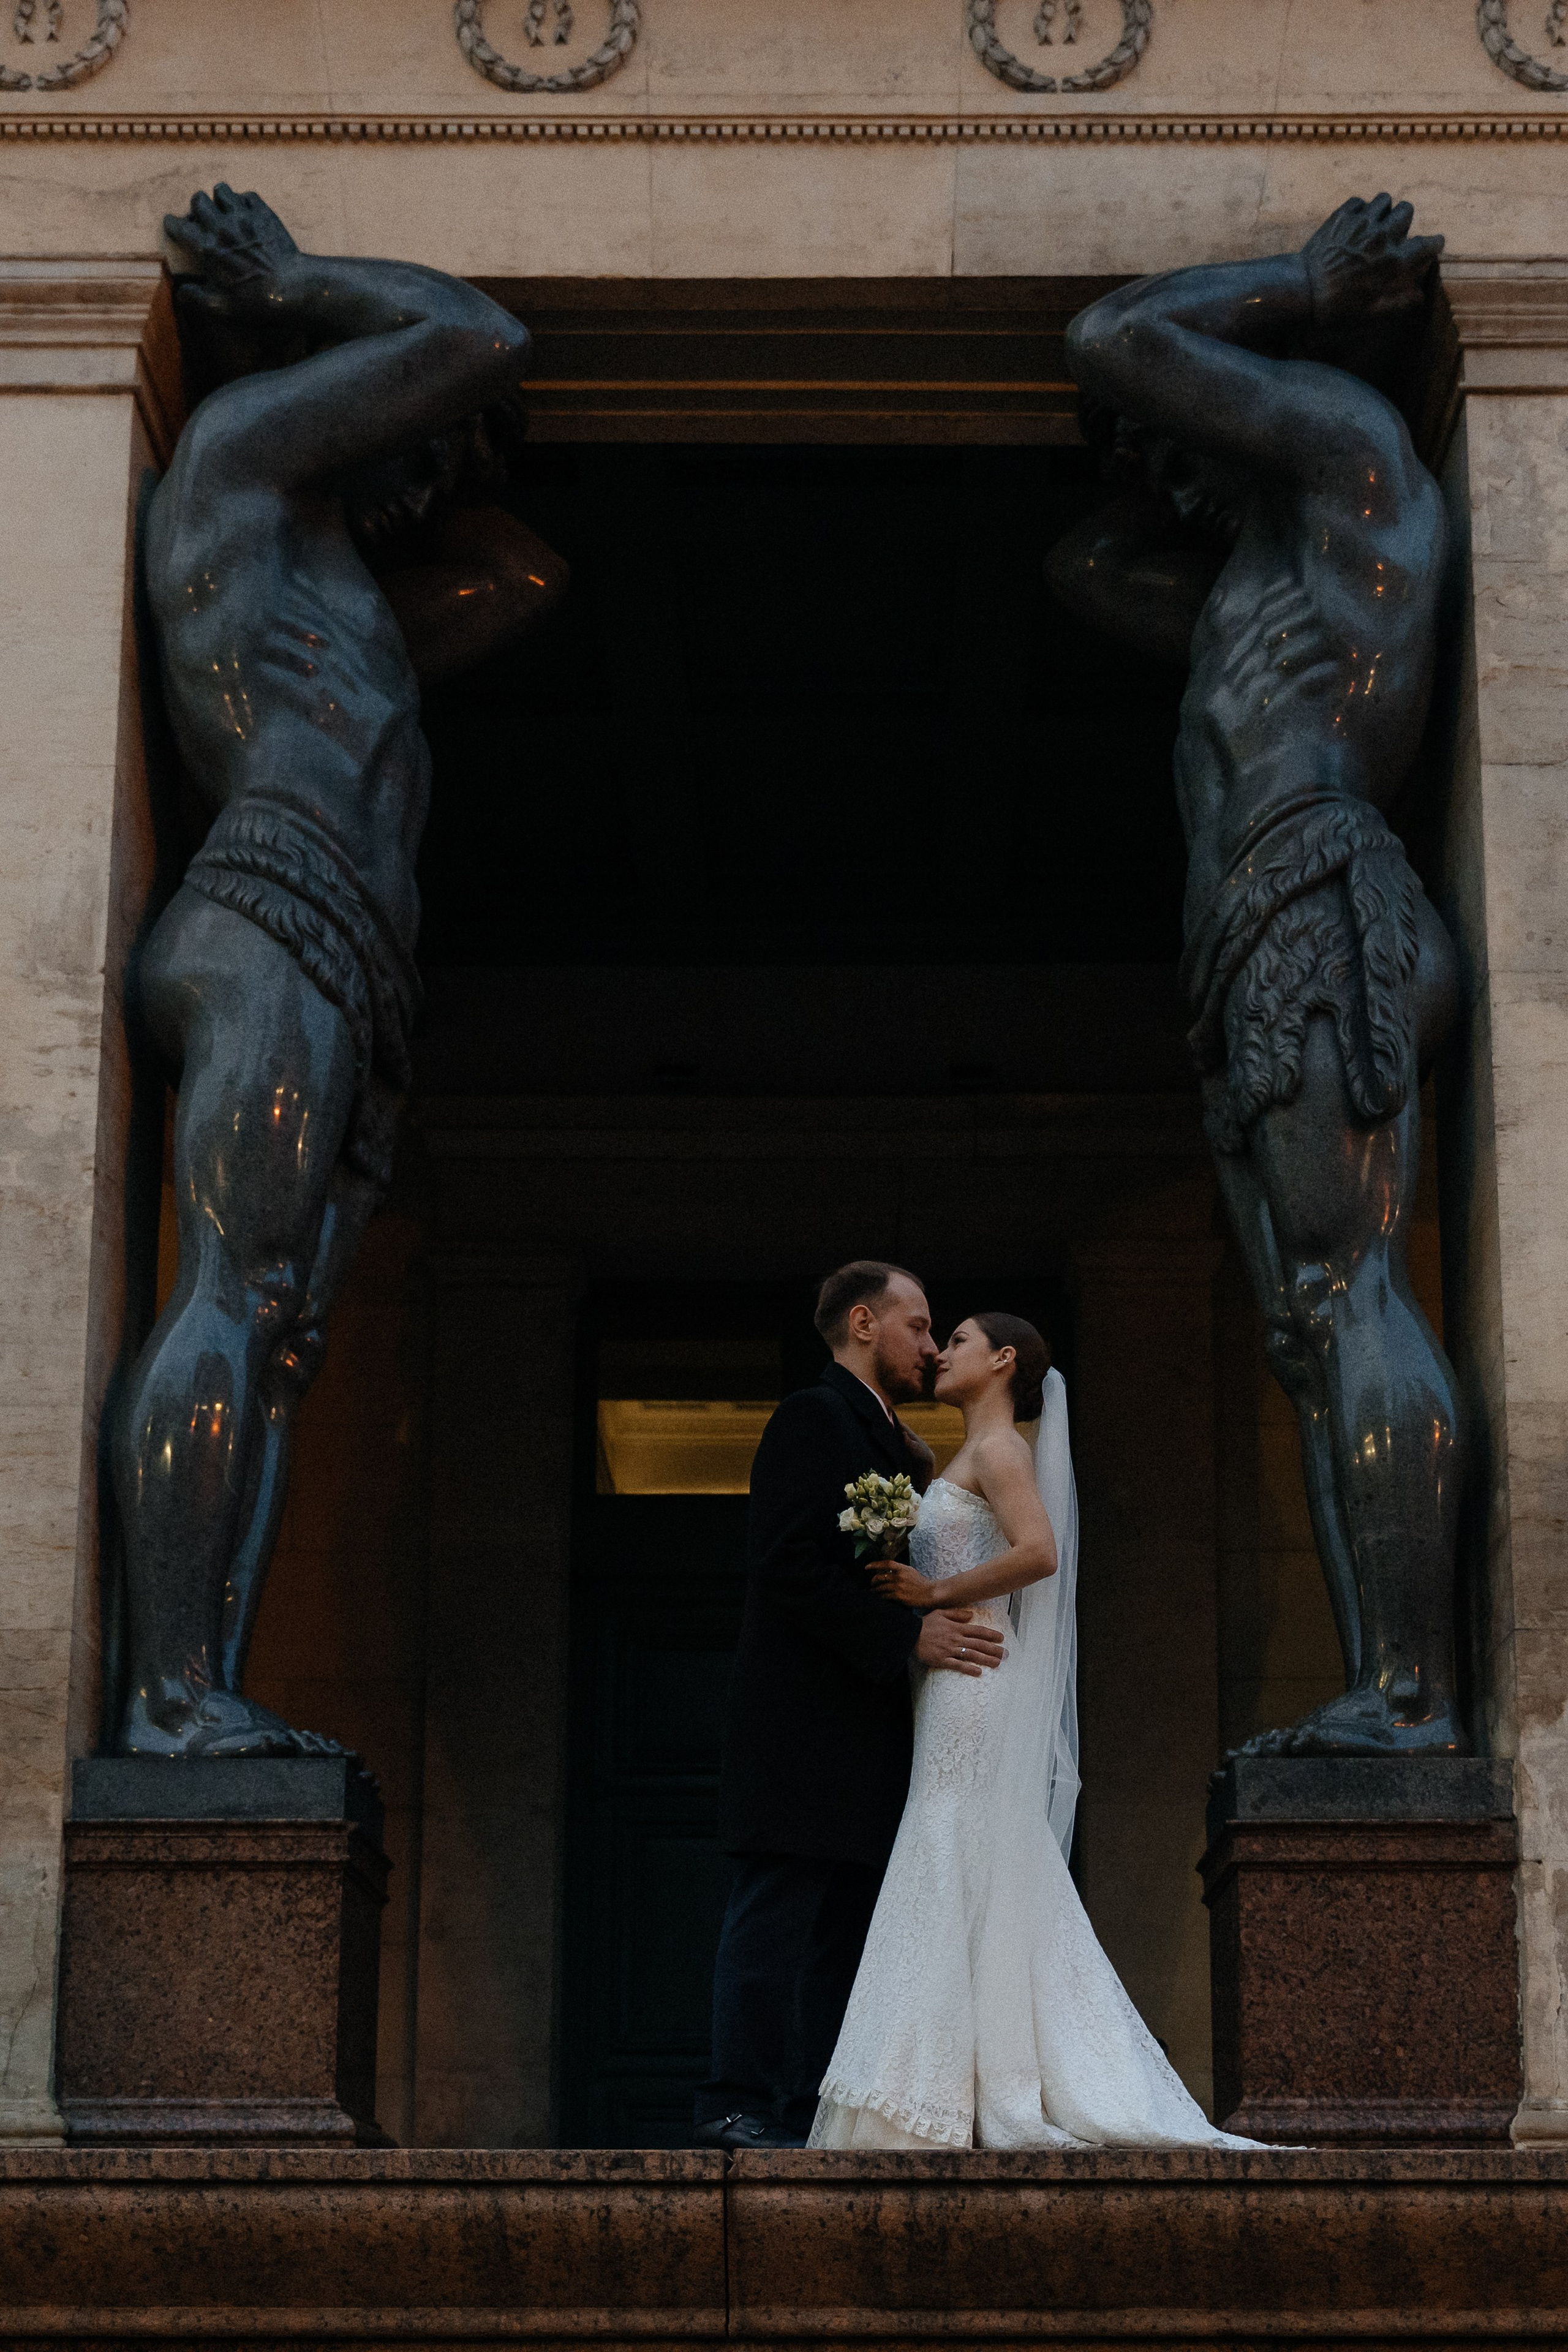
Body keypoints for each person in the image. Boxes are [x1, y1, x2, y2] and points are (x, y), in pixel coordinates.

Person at [112, 186, 565, 1755]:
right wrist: (302, 288)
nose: (439, 454)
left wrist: (424, 466)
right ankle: (166, 1695)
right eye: (420, 434)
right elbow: (473, 331)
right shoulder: (233, 468)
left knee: (282, 1334)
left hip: (342, 957)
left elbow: (520, 574)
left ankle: (204, 1686)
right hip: (267, 916)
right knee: (235, 1292)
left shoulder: (346, 598)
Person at [1047, 194, 1466, 1757]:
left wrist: (1293, 290)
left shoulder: (1355, 460)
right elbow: (1086, 557)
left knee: (1349, 1283)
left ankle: (1412, 1694)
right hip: (1255, 928)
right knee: (1311, 1314)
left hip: (1314, 894)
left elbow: (1115, 338)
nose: (1159, 450)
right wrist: (1175, 459)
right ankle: (1387, 1680)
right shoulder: (1250, 585)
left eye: (1180, 430)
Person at [810, 1314, 1259, 2150]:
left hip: (977, 1676)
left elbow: (1040, 1551)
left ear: (1005, 1360)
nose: (943, 1349)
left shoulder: (1002, 1451)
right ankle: (958, 2079)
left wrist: (932, 1597)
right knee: (968, 1848)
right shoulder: (966, 1454)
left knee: (958, 1839)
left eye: (963, 1338)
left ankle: (960, 2088)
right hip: (953, 1678)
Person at [693, 1262, 1007, 2150]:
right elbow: (789, 1565)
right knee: (774, 1923)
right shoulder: (812, 1419)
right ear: (864, 1324)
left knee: (845, 1944)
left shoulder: (896, 1443)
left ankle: (812, 2114)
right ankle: (734, 2104)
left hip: (870, 1738)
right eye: (919, 1326)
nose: (931, 1346)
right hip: (798, 1734)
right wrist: (908, 1638)